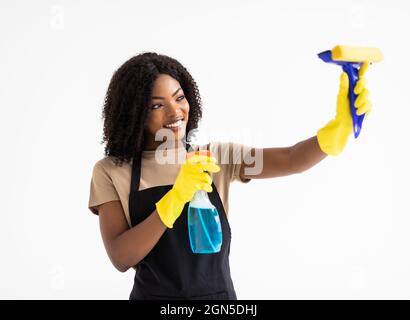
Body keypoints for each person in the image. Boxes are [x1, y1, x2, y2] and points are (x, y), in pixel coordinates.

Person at [88, 52, 372, 299]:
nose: (175, 112)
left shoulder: (216, 158)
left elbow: (291, 159)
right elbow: (121, 257)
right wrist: (175, 198)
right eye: (156, 105)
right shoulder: (111, 171)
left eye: (179, 98)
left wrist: (336, 132)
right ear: (133, 113)